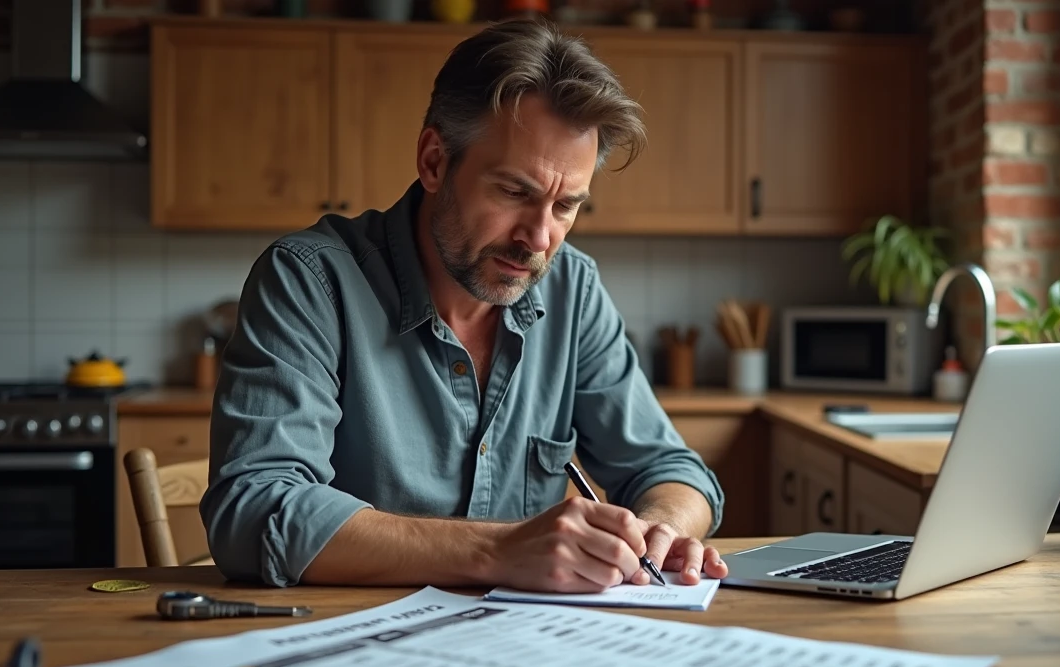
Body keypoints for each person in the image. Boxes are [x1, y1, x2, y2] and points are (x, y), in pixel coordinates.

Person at [200, 18, 729, 591]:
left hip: (529, 650)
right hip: (350, 649)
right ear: (433, 160)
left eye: (566, 206)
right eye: (514, 192)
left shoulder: (571, 288)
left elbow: (673, 471)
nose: (539, 238)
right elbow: (251, 512)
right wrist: (500, 549)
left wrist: (659, 528)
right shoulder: (310, 280)